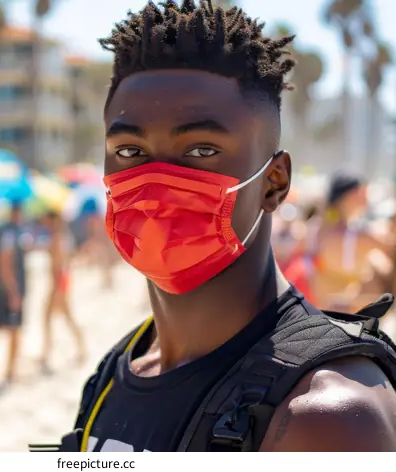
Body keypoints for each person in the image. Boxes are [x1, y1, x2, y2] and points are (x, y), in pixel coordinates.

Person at [43, 0, 396, 452]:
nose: (156, 183)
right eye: (130, 152)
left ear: (275, 182)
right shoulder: (114, 371)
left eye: (202, 151)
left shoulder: (328, 417)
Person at [305, 170, 391, 311]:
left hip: (324, 310)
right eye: (363, 191)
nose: (367, 196)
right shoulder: (360, 236)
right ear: (351, 195)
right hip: (343, 312)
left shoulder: (316, 228)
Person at [0, 200, 32, 384]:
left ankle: (8, 370)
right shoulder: (10, 234)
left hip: (9, 289)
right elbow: (5, 265)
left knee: (4, 329)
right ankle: (9, 371)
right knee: (11, 330)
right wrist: (13, 292)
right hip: (10, 290)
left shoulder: (11, 232)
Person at [40, 211, 86, 371]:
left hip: (57, 284)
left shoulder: (57, 237)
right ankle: (78, 347)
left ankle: (48, 352)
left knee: (52, 318)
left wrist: (58, 289)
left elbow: (59, 266)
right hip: (58, 283)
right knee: (62, 318)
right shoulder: (59, 236)